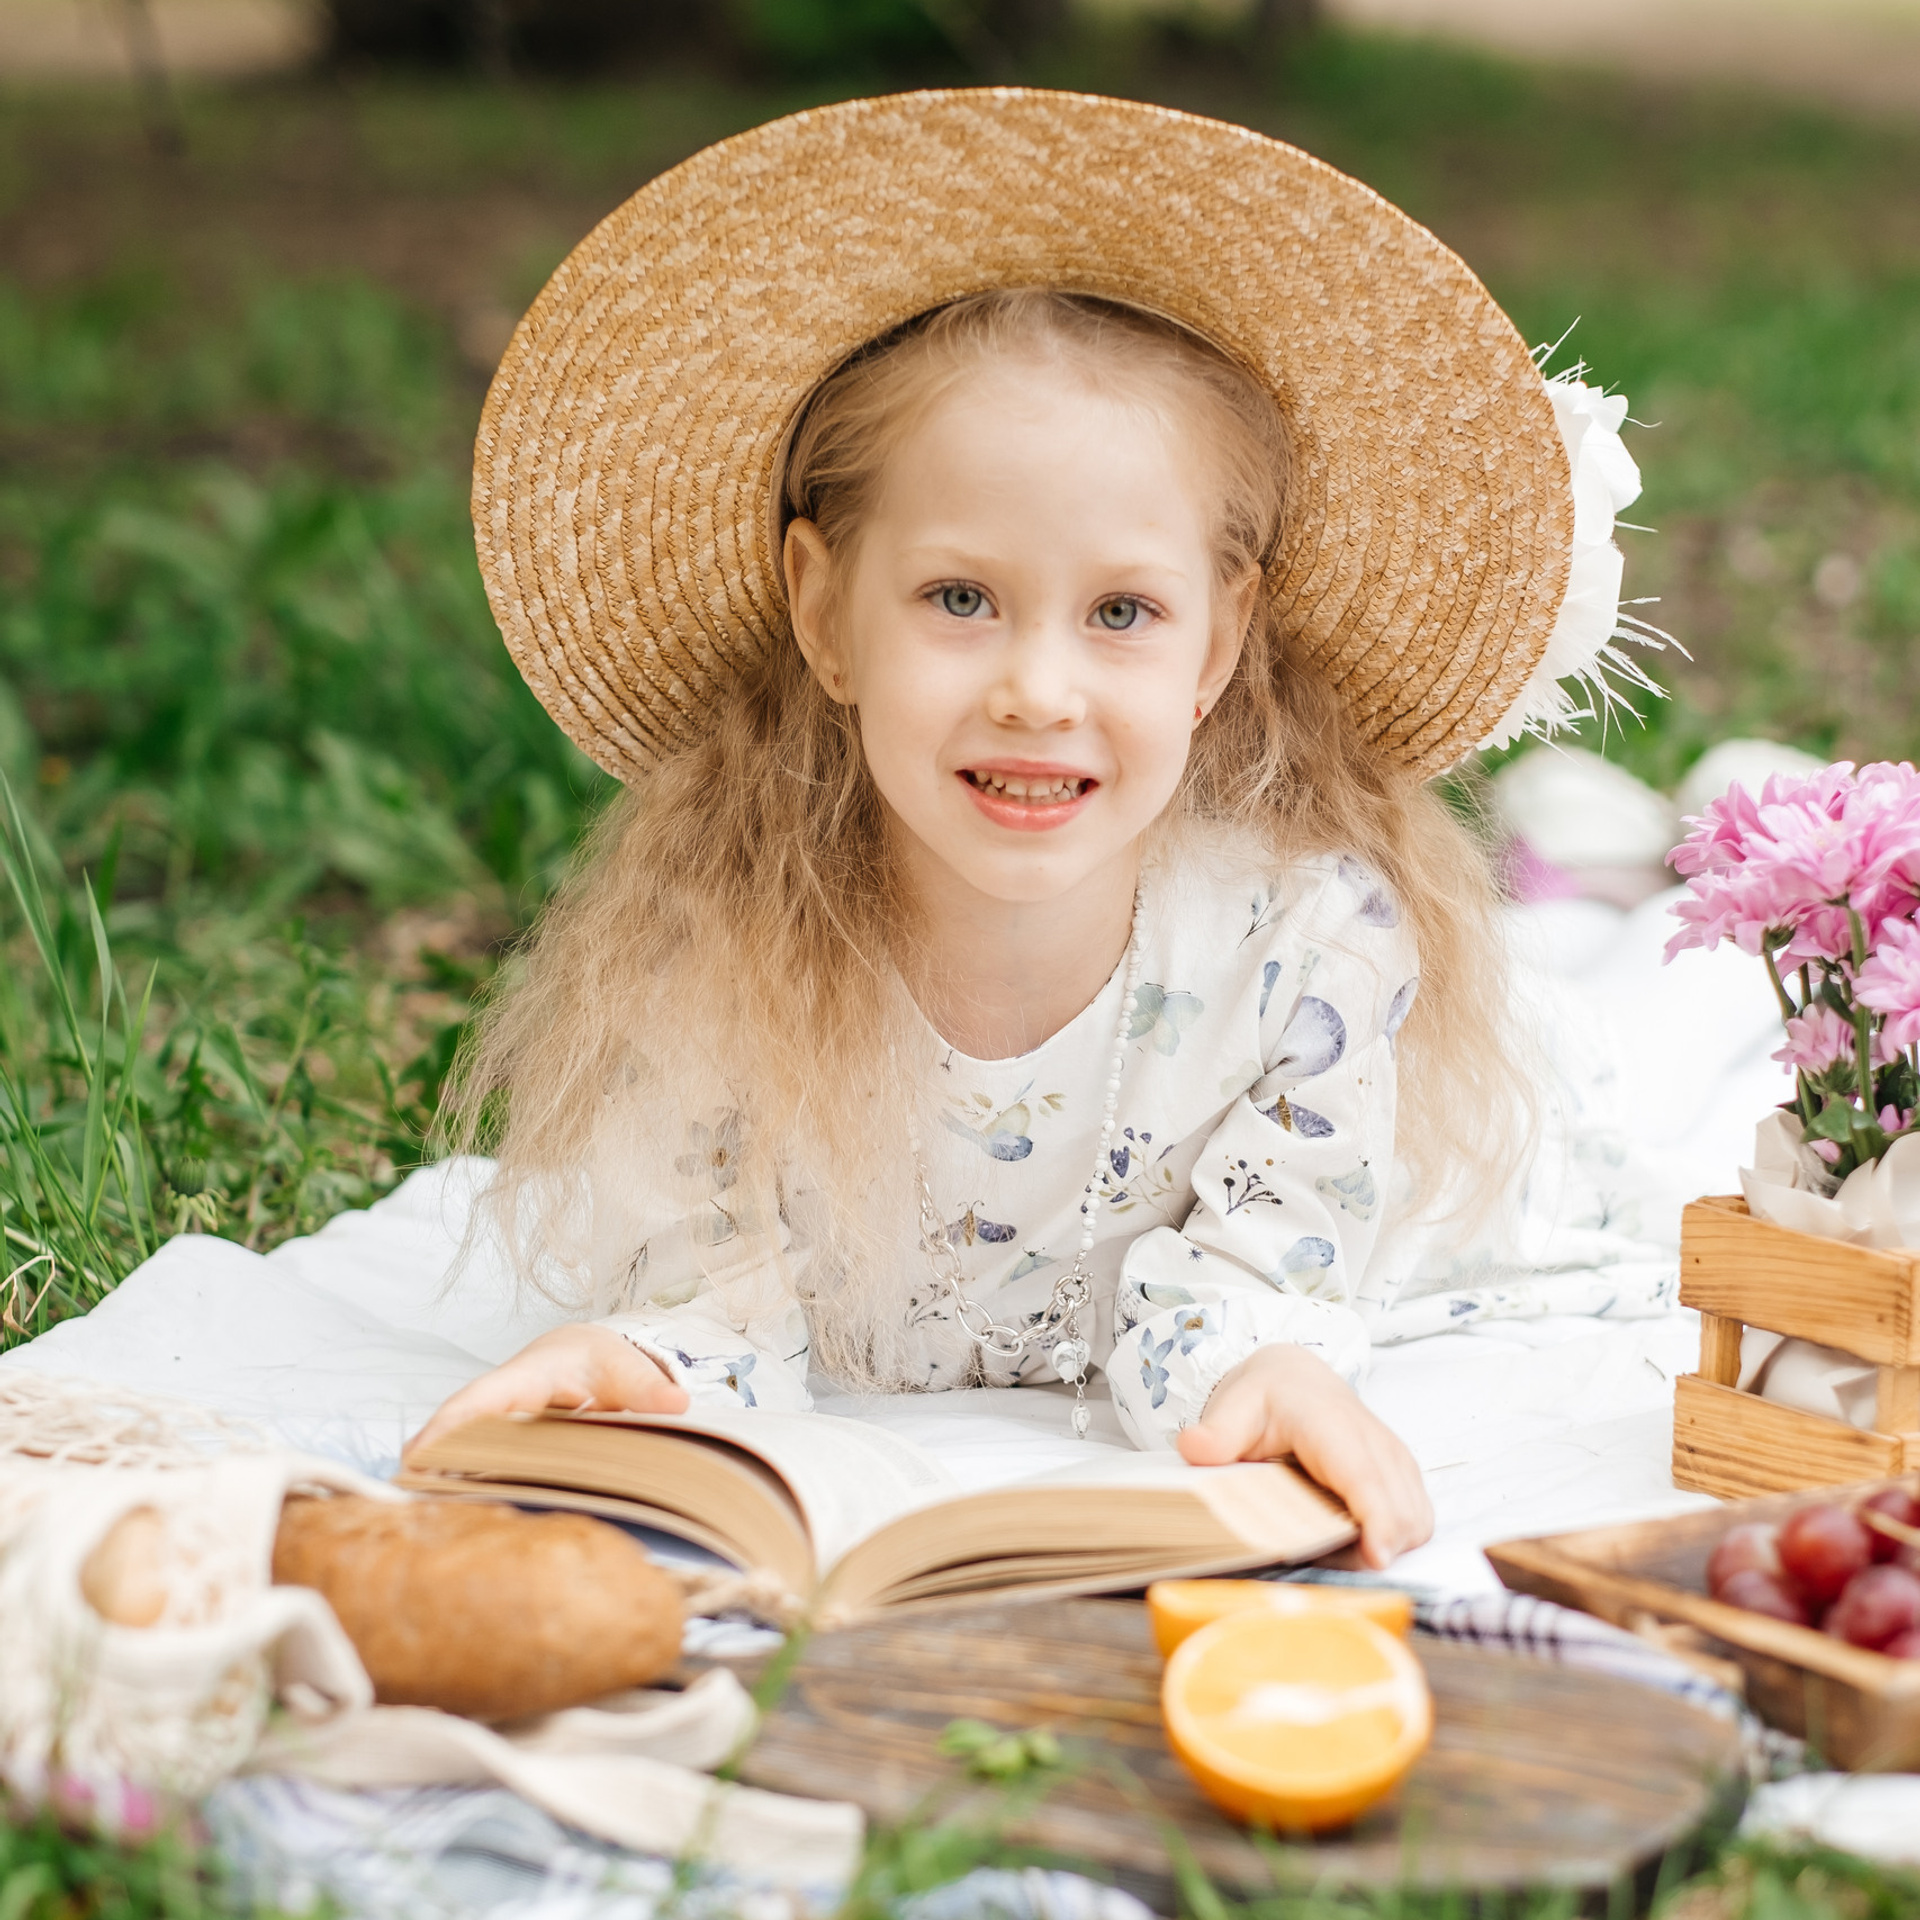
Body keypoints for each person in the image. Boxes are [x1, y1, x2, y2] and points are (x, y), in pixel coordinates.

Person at [409, 90, 1647, 1568]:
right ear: (826, 612)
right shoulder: (724, 949)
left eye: (1122, 612)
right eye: (960, 598)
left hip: (1405, 1184)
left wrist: (1265, 1373)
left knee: (1588, 1101)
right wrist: (643, 1364)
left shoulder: (1305, 952)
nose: (1038, 691)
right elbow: (705, 1301)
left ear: (1214, 644)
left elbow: (1263, 1279)